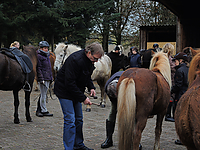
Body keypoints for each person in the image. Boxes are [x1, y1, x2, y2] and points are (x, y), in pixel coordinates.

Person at [54, 42, 104, 150]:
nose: (96, 61)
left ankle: (78, 144)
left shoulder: (89, 61)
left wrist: (91, 87)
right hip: (64, 91)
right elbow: (69, 83)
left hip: (75, 91)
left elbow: (86, 76)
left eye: (98, 59)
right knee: (70, 120)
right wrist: (83, 98)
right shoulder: (75, 60)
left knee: (79, 119)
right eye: (95, 59)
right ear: (89, 53)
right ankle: (69, 148)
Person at [101, 71, 142, 150]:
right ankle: (108, 139)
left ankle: (136, 140)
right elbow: (113, 100)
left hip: (130, 91)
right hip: (116, 92)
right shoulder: (108, 87)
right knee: (112, 112)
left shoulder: (133, 83)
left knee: (132, 114)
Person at [171, 52, 189, 145]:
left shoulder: (179, 71)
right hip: (187, 94)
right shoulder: (188, 69)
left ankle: (182, 138)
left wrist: (170, 91)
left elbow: (178, 85)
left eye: (176, 61)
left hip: (180, 95)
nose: (175, 63)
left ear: (181, 61)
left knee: (179, 118)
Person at [36, 41, 53, 117]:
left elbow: (49, 68)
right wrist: (41, 78)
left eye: (47, 48)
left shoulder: (47, 56)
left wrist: (51, 77)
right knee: (43, 95)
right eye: (45, 48)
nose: (46, 49)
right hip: (43, 78)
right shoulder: (39, 56)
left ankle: (42, 109)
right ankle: (43, 110)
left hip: (47, 77)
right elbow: (39, 68)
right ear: (41, 48)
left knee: (44, 94)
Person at [162, 43, 176, 122]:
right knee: (171, 96)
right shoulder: (168, 57)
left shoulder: (164, 56)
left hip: (169, 77)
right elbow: (171, 67)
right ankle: (167, 114)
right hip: (170, 78)